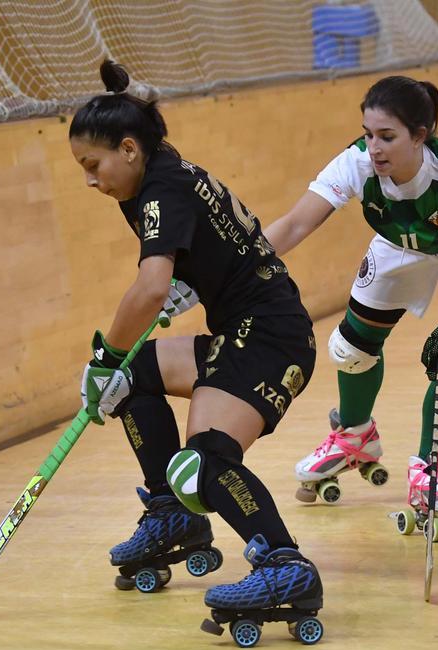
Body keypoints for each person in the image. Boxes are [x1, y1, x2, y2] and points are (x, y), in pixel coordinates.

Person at [69, 60, 322, 618]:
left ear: (129, 149)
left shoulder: (159, 186)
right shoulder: (157, 165)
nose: (89, 179)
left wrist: (103, 357)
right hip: (239, 333)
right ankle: (171, 516)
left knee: (203, 463)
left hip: (270, 342)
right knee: (133, 382)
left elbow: (149, 289)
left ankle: (286, 568)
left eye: (93, 164)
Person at [264, 75, 438, 537]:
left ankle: (430, 471)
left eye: (387, 136)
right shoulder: (357, 165)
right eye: (367, 134)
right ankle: (355, 436)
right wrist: (234, 266)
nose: (374, 147)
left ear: (420, 136)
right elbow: (296, 224)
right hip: (400, 243)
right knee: (349, 348)